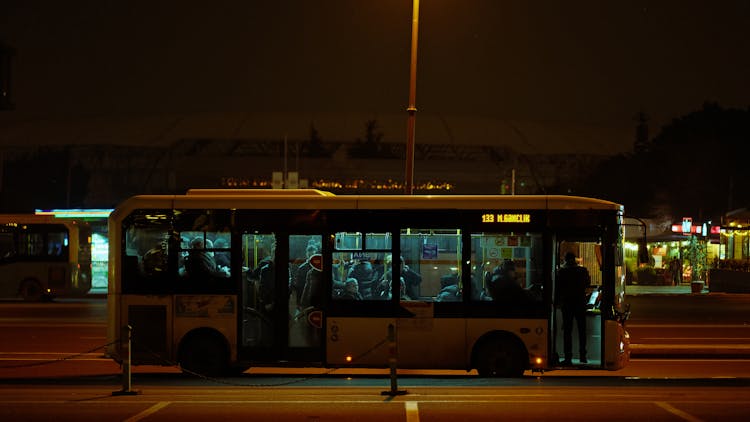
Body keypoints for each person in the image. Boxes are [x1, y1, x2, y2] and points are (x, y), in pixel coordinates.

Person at [555, 252, 591, 365]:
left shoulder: (561, 271)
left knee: (567, 331)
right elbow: (587, 284)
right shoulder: (583, 270)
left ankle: (568, 357)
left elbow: (558, 288)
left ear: (565, 259)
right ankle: (582, 356)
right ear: (574, 259)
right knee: (582, 330)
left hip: (567, 304)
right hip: (580, 303)